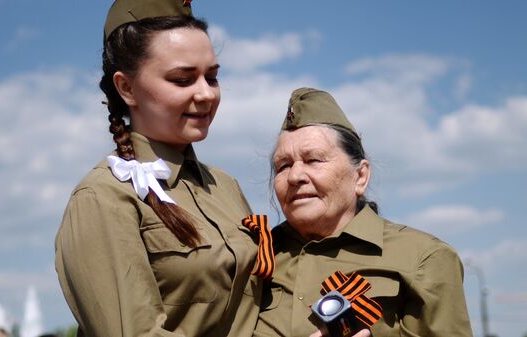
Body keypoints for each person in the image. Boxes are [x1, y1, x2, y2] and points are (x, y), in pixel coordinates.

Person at [54, 0, 260, 336]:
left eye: (212, 77)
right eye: (182, 80)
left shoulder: (224, 186)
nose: (206, 94)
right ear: (127, 88)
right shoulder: (103, 196)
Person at [253, 88, 473, 336]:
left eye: (314, 160)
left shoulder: (425, 259)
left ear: (360, 176)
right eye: (283, 166)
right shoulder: (253, 258)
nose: (295, 176)